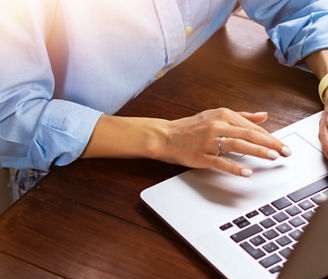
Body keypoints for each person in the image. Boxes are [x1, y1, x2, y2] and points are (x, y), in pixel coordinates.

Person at [1, 0, 328, 196]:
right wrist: (168, 137)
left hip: (195, 100)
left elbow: (297, 5)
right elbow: (10, 113)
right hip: (69, 167)